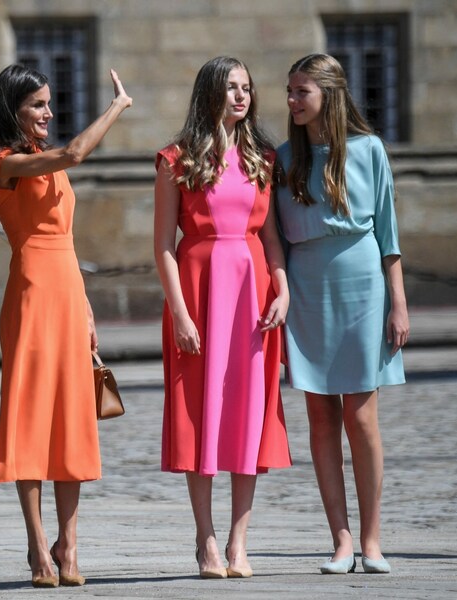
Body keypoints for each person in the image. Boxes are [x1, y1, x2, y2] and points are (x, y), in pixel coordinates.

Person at [0, 64, 132, 588]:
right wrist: (117, 106)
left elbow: (66, 240)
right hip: (31, 294)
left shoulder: (47, 163)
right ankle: (37, 544)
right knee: (31, 414)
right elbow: (72, 153)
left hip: (67, 291)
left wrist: (87, 307)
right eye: (37, 105)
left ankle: (70, 544)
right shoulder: (2, 161)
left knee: (71, 415)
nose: (48, 112)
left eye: (49, 103)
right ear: (12, 110)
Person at [153, 56, 292, 580]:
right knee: (201, 411)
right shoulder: (175, 159)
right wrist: (180, 313)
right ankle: (205, 538)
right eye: (232, 87)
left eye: (248, 88)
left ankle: (239, 541)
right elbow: (164, 246)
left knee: (247, 412)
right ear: (210, 92)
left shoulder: (264, 159)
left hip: (252, 298)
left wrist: (282, 291)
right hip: (198, 293)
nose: (242, 96)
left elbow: (272, 240)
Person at [274, 53, 409, 575]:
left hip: (363, 285)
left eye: (301, 91)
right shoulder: (284, 158)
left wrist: (397, 302)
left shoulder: (370, 149)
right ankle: (341, 539)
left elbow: (388, 236)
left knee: (361, 415)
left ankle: (373, 539)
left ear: (328, 93)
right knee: (320, 416)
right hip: (307, 288)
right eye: (289, 91)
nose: (292, 100)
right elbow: (274, 239)